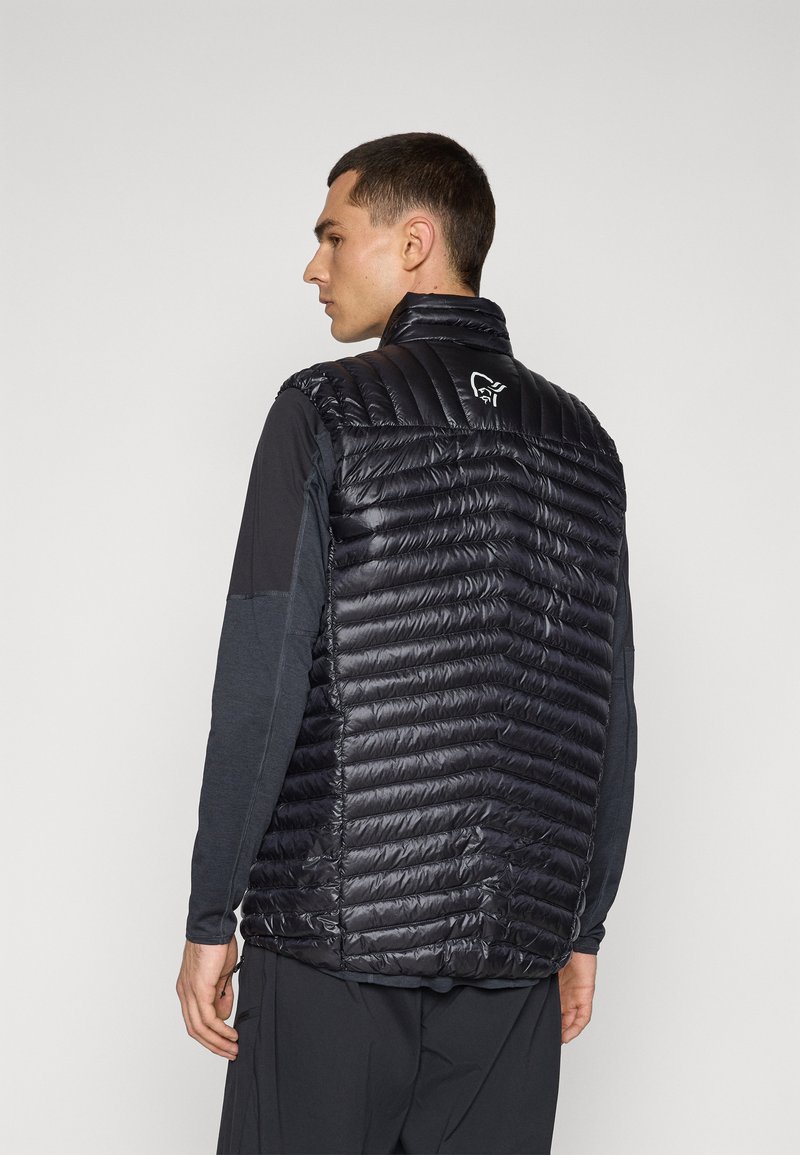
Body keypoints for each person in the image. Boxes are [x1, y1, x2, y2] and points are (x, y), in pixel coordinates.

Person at [176, 132, 638, 1155]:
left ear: (415, 241)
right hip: (514, 952)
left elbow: (260, 680)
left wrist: (212, 914)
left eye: (334, 236)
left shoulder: (324, 408)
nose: (313, 267)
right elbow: (609, 706)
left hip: (330, 941)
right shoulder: (585, 444)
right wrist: (580, 924)